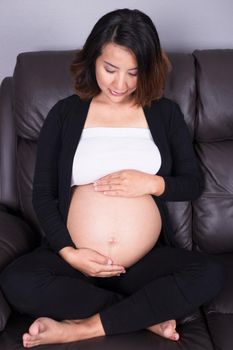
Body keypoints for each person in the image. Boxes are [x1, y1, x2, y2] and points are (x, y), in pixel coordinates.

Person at [0, 8, 224, 348]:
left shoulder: (164, 114)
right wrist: (69, 253)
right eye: (110, 69)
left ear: (147, 70)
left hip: (143, 266)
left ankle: (82, 328)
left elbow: (192, 183)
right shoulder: (64, 114)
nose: (120, 84)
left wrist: (151, 183)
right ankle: (140, 316)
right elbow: (43, 195)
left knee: (210, 273)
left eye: (134, 73)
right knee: (17, 280)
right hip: (76, 263)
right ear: (93, 60)